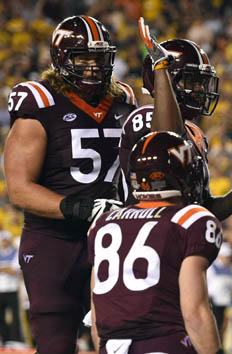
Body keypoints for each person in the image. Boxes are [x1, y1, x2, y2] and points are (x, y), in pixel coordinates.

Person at [4, 15, 134, 353]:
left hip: (110, 239)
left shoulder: (124, 101)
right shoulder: (40, 103)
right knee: (56, 344)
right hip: (54, 242)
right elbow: (19, 188)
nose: (93, 67)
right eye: (83, 58)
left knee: (120, 339)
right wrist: (80, 207)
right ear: (62, 59)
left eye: (99, 58)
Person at [88, 131, 223, 353]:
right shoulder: (190, 219)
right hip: (163, 342)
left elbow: (96, 320)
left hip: (111, 346)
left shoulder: (102, 223)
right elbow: (195, 312)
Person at [118, 18, 232, 221]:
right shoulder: (143, 117)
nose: (201, 89)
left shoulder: (195, 134)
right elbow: (167, 137)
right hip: (147, 231)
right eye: (193, 81)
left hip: (180, 236)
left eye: (202, 82)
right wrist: (161, 69)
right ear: (168, 80)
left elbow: (202, 209)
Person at [0, 231, 22, 345]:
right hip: (1, 290)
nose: (3, 242)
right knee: (1, 318)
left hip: (12, 289)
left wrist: (2, 269)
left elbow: (14, 270)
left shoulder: (15, 253)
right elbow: (10, 269)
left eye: (5, 240)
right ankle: (4, 339)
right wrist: (6, 268)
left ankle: (16, 340)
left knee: (15, 316)